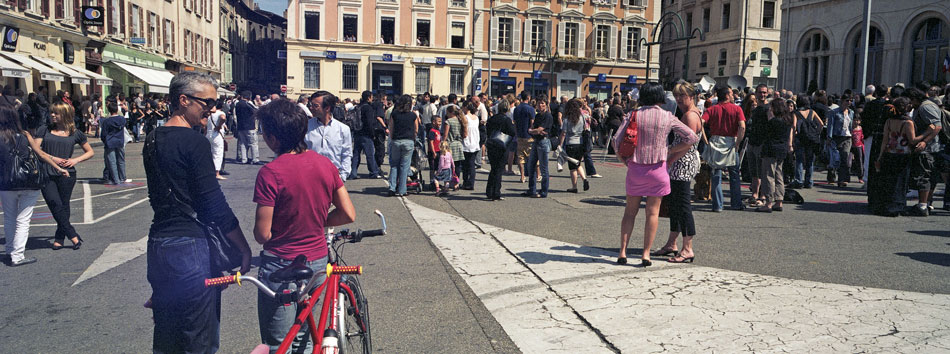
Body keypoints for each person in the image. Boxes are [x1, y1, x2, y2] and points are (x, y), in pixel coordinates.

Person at [144, 72, 252, 353]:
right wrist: (242, 246)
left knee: (167, 335)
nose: (212, 109)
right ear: (183, 100)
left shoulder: (153, 138)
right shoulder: (195, 142)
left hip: (159, 245)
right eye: (207, 102)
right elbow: (212, 202)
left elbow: (157, 195)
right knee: (198, 339)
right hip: (190, 246)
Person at [252, 98, 356, 353]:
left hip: (281, 262)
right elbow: (348, 214)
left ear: (273, 138)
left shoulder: (271, 172)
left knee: (279, 342)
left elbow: (262, 234)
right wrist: (317, 221)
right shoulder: (325, 165)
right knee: (304, 332)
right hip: (317, 259)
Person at [615, 82, 699, 267]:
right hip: (658, 170)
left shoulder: (633, 115)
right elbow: (692, 138)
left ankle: (622, 251)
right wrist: (670, 150)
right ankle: (646, 254)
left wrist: (626, 161)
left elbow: (616, 140)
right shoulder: (667, 116)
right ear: (661, 97)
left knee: (630, 213)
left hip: (636, 168)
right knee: (652, 214)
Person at [1, 106, 67, 266]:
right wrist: (58, 167)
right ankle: (17, 256)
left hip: (6, 183)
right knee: (23, 219)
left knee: (9, 218)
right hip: (28, 181)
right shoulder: (25, 135)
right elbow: (41, 154)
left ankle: (10, 250)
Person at [655, 82, 704, 263]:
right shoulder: (689, 113)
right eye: (677, 96)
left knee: (683, 205)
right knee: (675, 204)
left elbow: (688, 143)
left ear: (691, 96)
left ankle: (687, 248)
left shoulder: (690, 116)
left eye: (682, 96)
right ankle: (672, 243)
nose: (679, 99)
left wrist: (669, 156)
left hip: (683, 163)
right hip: (681, 162)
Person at [36, 102, 94, 250]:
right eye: (52, 112)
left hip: (67, 173)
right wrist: (53, 158)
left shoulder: (75, 133)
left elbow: (90, 152)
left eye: (56, 113)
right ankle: (72, 234)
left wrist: (75, 160)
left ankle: (59, 238)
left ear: (66, 115)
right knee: (54, 203)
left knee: (64, 205)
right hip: (47, 172)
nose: (53, 115)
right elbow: (36, 150)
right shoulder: (44, 130)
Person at [702, 86, 747, 212]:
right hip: (731, 141)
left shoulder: (712, 109)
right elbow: (742, 127)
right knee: (734, 174)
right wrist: (738, 142)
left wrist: (705, 140)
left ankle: (717, 205)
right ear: (727, 95)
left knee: (716, 174)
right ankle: (736, 203)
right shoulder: (737, 109)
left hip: (715, 140)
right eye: (731, 93)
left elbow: (700, 123)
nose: (733, 95)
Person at [874, 99, 917, 217]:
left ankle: (888, 206)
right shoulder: (908, 122)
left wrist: (880, 156)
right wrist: (927, 134)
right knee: (901, 181)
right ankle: (899, 205)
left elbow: (884, 140)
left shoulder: (889, 121)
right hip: (903, 154)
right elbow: (912, 140)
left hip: (889, 152)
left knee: (890, 180)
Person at [906, 88, 943, 216]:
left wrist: (925, 141)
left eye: (910, 101)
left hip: (928, 149)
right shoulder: (924, 106)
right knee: (927, 176)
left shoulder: (924, 107)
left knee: (924, 176)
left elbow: (936, 126)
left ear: (915, 98)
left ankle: (922, 205)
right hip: (930, 147)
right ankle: (925, 204)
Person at [756, 99, 795, 212]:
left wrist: (769, 118)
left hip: (770, 149)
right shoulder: (787, 120)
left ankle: (768, 202)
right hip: (781, 150)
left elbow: (764, 133)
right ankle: (779, 200)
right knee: (778, 175)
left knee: (768, 175)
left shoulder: (773, 121)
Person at [305, 91, 352, 182]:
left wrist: (343, 176)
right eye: (311, 105)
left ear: (327, 108)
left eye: (315, 106)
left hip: (334, 178)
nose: (311, 108)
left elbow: (346, 154)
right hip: (310, 178)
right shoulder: (305, 127)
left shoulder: (343, 129)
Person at [387, 95, 420, 196]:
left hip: (396, 140)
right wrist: (413, 139)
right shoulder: (413, 115)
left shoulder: (395, 114)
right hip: (408, 141)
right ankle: (402, 190)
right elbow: (416, 130)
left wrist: (392, 139)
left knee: (394, 165)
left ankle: (392, 188)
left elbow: (391, 128)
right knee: (404, 166)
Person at [349, 91, 384, 179]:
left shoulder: (358, 106)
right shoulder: (368, 108)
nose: (372, 99)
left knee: (356, 153)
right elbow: (369, 122)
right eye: (371, 97)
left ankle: (353, 172)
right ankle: (373, 172)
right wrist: (372, 134)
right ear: (368, 98)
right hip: (366, 134)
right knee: (370, 154)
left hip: (357, 132)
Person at [485, 98, 516, 201]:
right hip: (502, 146)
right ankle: (496, 192)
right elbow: (512, 132)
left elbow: (488, 131)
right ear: (507, 109)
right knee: (499, 170)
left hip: (491, 144)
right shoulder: (507, 120)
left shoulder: (492, 119)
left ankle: (489, 191)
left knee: (493, 168)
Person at [792, 95, 824, 189]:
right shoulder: (812, 112)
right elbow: (821, 124)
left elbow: (794, 126)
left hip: (801, 138)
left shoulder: (796, 113)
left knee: (799, 160)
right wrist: (816, 133)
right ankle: (809, 181)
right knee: (810, 161)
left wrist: (793, 138)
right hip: (811, 138)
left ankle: (798, 180)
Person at [524, 99, 553, 198]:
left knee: (543, 168)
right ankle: (532, 189)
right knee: (530, 165)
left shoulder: (547, 116)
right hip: (536, 141)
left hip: (543, 142)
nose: (540, 105)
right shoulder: (537, 116)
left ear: (546, 105)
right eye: (539, 103)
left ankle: (544, 191)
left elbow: (540, 129)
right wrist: (534, 131)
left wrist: (535, 131)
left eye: (542, 103)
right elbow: (532, 128)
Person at [560, 99, 590, 193]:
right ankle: (584, 178)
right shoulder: (582, 117)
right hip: (580, 143)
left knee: (572, 167)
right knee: (578, 163)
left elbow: (563, 133)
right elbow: (586, 128)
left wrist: (560, 145)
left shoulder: (566, 119)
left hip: (570, 143)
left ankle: (574, 187)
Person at [827, 95, 855, 187]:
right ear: (842, 101)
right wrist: (829, 137)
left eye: (851, 100)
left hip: (847, 138)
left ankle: (842, 179)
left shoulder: (851, 112)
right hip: (836, 137)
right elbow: (830, 125)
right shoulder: (834, 112)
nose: (849, 102)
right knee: (835, 158)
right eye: (847, 100)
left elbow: (851, 125)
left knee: (845, 158)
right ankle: (831, 177)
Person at [99, 100, 128, 185]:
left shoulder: (106, 121)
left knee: (112, 161)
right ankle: (122, 177)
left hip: (110, 141)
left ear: (109, 110)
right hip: (120, 140)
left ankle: (116, 179)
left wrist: (104, 140)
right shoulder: (122, 119)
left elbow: (103, 134)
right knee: (121, 160)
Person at [512, 92, 536, 183]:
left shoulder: (516, 109)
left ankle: (522, 176)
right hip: (529, 135)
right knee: (531, 157)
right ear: (529, 97)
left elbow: (514, 123)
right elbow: (532, 123)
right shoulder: (531, 109)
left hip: (520, 135)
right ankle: (532, 175)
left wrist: (516, 133)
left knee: (520, 157)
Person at [235, 91, 261, 164]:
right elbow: (255, 110)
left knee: (243, 143)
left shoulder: (237, 104)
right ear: (249, 97)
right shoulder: (247, 103)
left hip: (241, 126)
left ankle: (244, 159)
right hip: (249, 126)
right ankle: (255, 159)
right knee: (253, 143)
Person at [461, 103, 481, 190]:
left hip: (467, 142)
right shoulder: (476, 117)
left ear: (466, 108)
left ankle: (466, 182)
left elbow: (464, 131)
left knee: (465, 164)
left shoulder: (465, 117)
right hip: (475, 141)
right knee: (472, 163)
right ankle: (471, 182)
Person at [207, 102, 227, 180]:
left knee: (210, 153)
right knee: (218, 153)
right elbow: (223, 118)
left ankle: (210, 171)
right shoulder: (221, 113)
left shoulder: (208, 114)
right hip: (217, 135)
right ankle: (217, 173)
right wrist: (219, 126)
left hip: (208, 134)